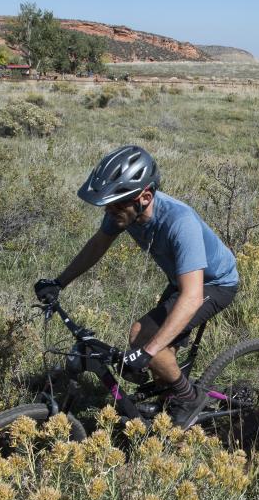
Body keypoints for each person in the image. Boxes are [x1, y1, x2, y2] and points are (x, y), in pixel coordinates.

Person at [34, 146, 238, 428]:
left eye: (116, 204)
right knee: (144, 339)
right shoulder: (125, 211)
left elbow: (192, 297)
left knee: (147, 343)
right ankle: (167, 396)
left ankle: (188, 398)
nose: (109, 210)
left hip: (213, 284)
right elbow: (97, 245)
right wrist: (59, 282)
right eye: (108, 204)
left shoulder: (180, 223)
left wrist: (148, 352)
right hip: (182, 280)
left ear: (145, 197)